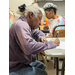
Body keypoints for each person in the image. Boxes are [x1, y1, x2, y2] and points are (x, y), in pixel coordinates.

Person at [9, 4, 60, 75]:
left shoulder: (27, 24)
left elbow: (37, 32)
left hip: (21, 61)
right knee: (43, 73)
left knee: (41, 66)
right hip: (15, 66)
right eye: (39, 18)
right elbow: (29, 47)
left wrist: (41, 37)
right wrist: (52, 43)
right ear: (31, 15)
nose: (39, 22)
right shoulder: (21, 25)